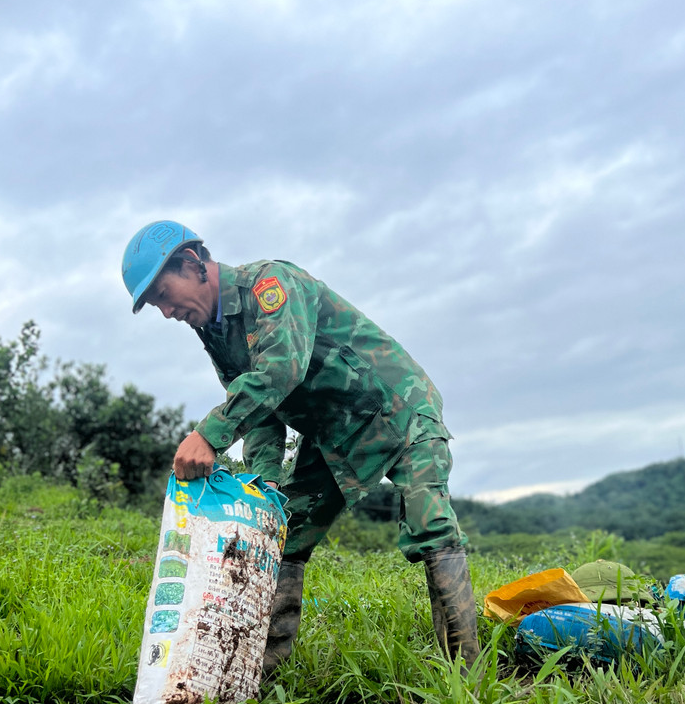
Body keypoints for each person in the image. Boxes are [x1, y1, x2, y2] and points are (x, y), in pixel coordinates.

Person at [122, 221, 480, 671]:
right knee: (285, 534)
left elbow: (279, 371)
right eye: (155, 304)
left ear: (193, 263)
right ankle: (263, 675)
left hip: (396, 405)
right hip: (333, 431)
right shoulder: (213, 330)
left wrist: (208, 435)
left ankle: (466, 678)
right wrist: (264, 485)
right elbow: (262, 414)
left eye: (162, 292)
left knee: (430, 522)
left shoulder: (270, 284)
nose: (166, 310)